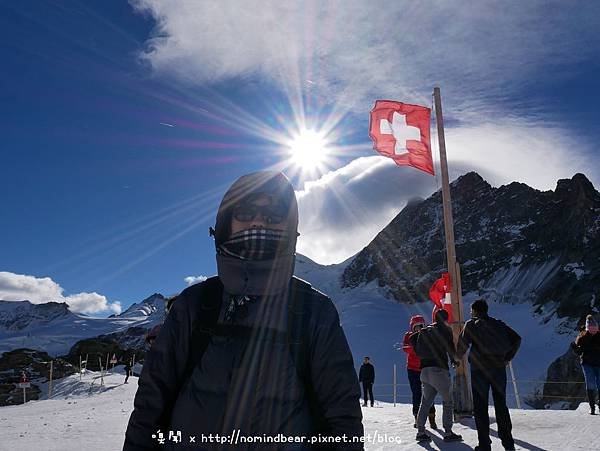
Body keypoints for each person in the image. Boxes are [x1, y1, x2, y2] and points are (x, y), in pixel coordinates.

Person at [123, 171, 364, 450]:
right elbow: (150, 409)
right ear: (226, 224)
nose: (259, 221)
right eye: (246, 212)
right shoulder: (194, 305)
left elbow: (342, 419)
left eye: (273, 216)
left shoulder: (314, 311)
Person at [457, 299, 521, 451]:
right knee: (501, 406)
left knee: (480, 407)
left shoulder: (471, 324)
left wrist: (455, 359)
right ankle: (508, 444)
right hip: (498, 369)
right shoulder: (499, 324)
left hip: (479, 370)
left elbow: (462, 345)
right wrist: (507, 358)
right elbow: (517, 339)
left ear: (474, 310)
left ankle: (485, 445)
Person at [410, 309, 462, 443]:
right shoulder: (445, 329)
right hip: (439, 371)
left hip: (424, 371)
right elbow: (450, 347)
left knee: (425, 402)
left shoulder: (425, 330)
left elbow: (412, 337)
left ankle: (421, 431)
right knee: (448, 402)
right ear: (445, 319)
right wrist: (454, 361)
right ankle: (448, 432)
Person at [402, 315, 436, 428]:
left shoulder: (427, 334)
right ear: (412, 327)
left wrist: (414, 348)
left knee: (429, 393)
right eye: (415, 326)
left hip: (425, 367)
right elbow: (405, 348)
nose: (418, 328)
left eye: (420, 326)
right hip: (412, 369)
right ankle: (417, 417)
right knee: (416, 393)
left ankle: (432, 417)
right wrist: (417, 348)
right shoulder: (408, 335)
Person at [571, 314, 600, 415]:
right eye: (591, 330)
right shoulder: (582, 337)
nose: (593, 332)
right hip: (587, 363)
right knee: (591, 383)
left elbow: (578, 351)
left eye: (595, 330)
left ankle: (597, 406)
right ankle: (592, 407)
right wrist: (575, 347)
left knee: (597, 383)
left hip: (596, 363)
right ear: (588, 329)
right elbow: (579, 351)